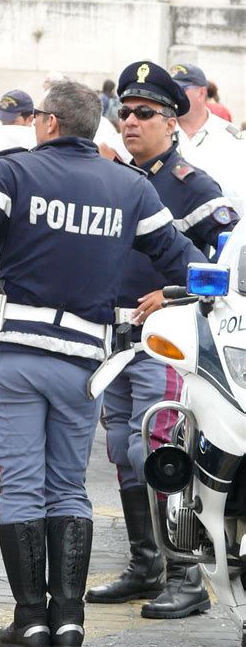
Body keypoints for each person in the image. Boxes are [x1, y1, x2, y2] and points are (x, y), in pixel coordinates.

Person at [0, 80, 207, 647]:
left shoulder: (14, 173)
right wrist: (172, 294)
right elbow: (187, 262)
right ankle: (71, 624)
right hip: (87, 358)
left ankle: (30, 622)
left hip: (15, 353)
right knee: (68, 487)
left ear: (50, 124)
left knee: (22, 485)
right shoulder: (131, 188)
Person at [85, 61, 239, 618]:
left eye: (144, 113)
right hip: (118, 334)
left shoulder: (192, 185)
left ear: (172, 122)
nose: (130, 122)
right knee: (123, 452)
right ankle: (145, 563)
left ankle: (186, 576)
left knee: (158, 449)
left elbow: (223, 268)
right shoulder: (120, 180)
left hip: (165, 340)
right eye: (124, 112)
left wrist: (175, 293)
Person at [169, 63, 245, 217]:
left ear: (202, 92)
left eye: (182, 89)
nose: (174, 95)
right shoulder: (159, 130)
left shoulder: (228, 137)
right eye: (170, 90)